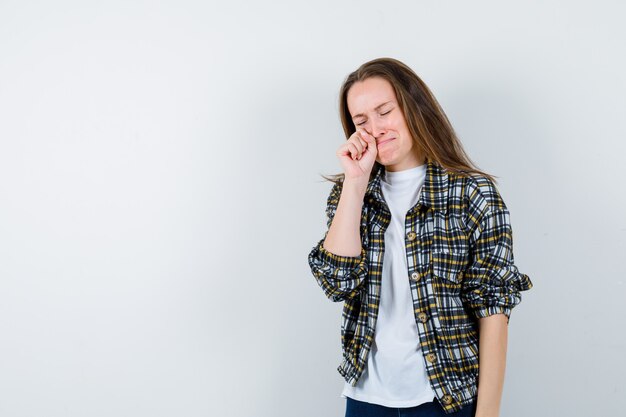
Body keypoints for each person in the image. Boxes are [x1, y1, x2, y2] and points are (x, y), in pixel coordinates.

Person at [307, 57, 533, 417]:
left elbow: (493, 307)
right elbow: (337, 282)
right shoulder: (351, 193)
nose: (375, 128)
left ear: (413, 107)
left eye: (384, 111)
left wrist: (488, 413)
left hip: (447, 399)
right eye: (361, 121)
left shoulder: (472, 193)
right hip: (366, 399)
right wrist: (354, 182)